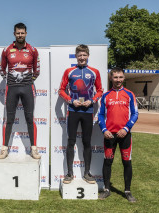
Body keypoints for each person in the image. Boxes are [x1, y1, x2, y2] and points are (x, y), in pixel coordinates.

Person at [58, 44, 103, 184]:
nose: (82, 58)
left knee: (87, 142)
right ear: (76, 57)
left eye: (84, 55)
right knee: (71, 141)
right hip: (73, 111)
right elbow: (61, 90)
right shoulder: (69, 71)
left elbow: (100, 90)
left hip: (88, 111)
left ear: (88, 56)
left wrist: (93, 101)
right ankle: (69, 174)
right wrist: (71, 100)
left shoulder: (94, 71)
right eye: (79, 55)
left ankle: (87, 173)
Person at [0, 22, 40, 159]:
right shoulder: (7, 50)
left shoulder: (33, 50)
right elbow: (1, 69)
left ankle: (34, 148)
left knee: (29, 118)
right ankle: (4, 148)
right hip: (12, 88)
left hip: (27, 87)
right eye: (18, 33)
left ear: (26, 34)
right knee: (9, 119)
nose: (20, 35)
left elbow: (37, 70)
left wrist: (28, 80)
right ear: (14, 34)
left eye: (22, 33)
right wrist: (10, 80)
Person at [98, 67, 138, 202]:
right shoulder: (105, 95)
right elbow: (101, 115)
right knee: (107, 161)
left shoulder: (129, 94)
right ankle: (107, 189)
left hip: (124, 134)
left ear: (124, 78)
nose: (118, 80)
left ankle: (127, 191)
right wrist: (104, 130)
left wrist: (126, 128)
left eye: (120, 77)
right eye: (115, 77)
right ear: (111, 78)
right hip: (109, 135)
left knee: (127, 162)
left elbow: (135, 114)